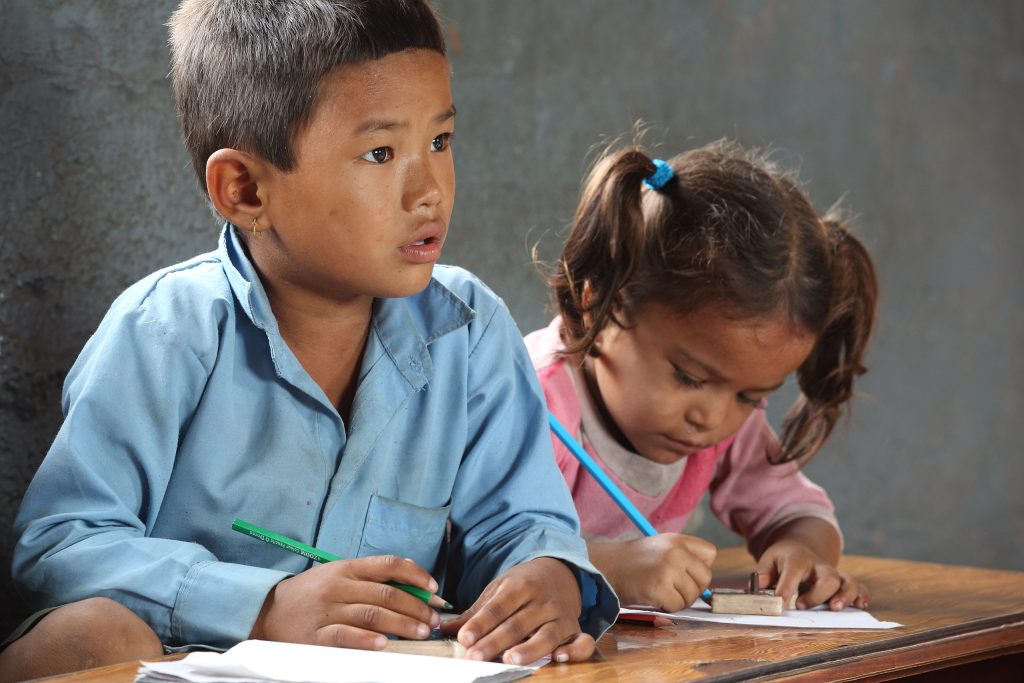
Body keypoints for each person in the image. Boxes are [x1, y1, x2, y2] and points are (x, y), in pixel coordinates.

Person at [1, 1, 617, 679]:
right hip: (192, 661)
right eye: (380, 152)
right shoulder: (165, 330)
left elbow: (519, 524)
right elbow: (61, 546)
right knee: (92, 632)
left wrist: (547, 576)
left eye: (440, 141)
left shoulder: (468, 330)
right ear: (244, 189)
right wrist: (260, 606)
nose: (429, 190)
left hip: (381, 667)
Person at [525, 139, 879, 614]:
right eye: (689, 378)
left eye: (750, 397)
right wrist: (608, 568)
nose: (712, 419)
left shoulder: (724, 408)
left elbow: (796, 510)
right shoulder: (530, 404)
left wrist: (804, 553)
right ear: (597, 305)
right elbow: (470, 557)